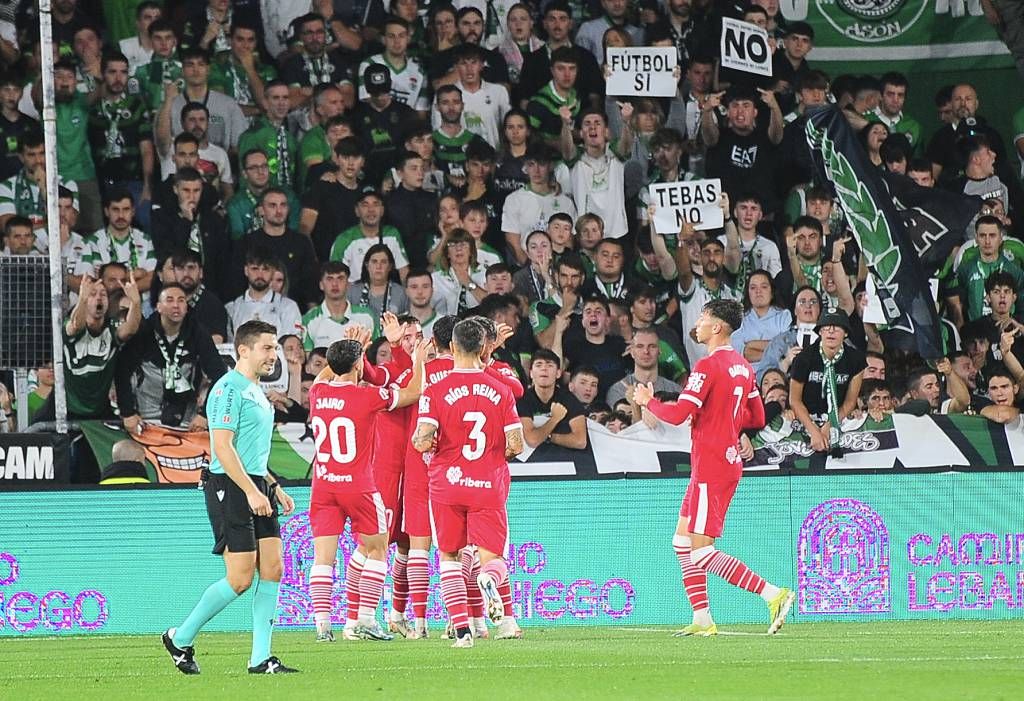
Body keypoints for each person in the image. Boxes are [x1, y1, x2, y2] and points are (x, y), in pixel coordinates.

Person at [633, 299, 793, 637]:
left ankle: (773, 594)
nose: (700, 323)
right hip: (720, 461)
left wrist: (649, 402)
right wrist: (728, 427)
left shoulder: (707, 367)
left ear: (717, 327)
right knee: (681, 542)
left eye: (704, 317)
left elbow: (677, 416)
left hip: (711, 466)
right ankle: (702, 617)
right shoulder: (743, 367)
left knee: (702, 553)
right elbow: (758, 417)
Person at [162, 320, 299, 675]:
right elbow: (222, 447)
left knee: (273, 569)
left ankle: (260, 658)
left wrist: (272, 484)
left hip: (255, 483)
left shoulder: (256, 390)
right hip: (230, 485)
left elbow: (248, 451)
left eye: (275, 348)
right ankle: (180, 637)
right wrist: (252, 490)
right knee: (240, 578)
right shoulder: (227, 390)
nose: (273, 355)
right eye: (267, 348)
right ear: (244, 350)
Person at [412, 318, 525, 647]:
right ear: (482, 348)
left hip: (447, 482)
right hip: (487, 483)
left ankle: (462, 631)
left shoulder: (435, 390)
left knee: (449, 556)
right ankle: (488, 581)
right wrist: (490, 453)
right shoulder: (501, 390)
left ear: (451, 348)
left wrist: (436, 445)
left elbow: (421, 440)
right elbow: (516, 445)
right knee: (493, 559)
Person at [307, 336, 426, 642]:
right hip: (358, 487)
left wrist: (346, 351)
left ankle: (323, 626)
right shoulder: (367, 397)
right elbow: (414, 392)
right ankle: (367, 619)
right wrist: (419, 360)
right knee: (377, 548)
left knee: (323, 559)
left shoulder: (317, 393)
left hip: (323, 486)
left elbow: (326, 374)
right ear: (360, 364)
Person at [789, 309, 866, 454]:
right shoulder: (803, 358)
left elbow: (850, 402)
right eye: (826, 327)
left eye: (837, 327)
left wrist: (830, 425)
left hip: (839, 417)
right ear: (819, 332)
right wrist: (814, 431)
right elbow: (794, 400)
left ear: (846, 333)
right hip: (807, 417)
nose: (831, 331)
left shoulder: (856, 360)